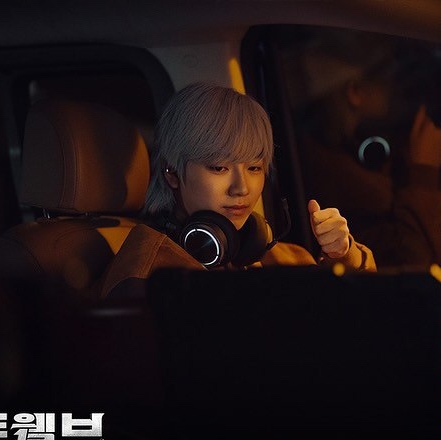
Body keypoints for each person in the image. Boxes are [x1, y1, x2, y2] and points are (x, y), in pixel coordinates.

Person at [292, 29, 441, 330]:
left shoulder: (372, 148)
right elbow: (412, 276)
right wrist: (424, 171)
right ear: (355, 92)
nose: (397, 89)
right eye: (389, 77)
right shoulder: (336, 181)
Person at [99, 81, 376, 299]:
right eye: (219, 167)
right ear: (172, 172)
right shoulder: (146, 280)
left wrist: (343, 254)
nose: (242, 188)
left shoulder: (269, 255)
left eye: (254, 167)